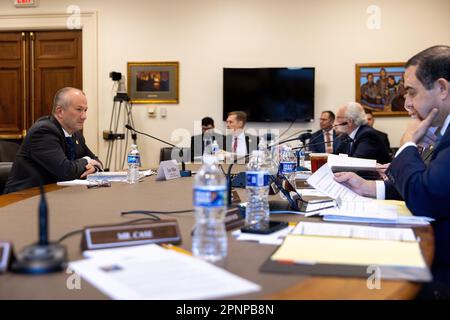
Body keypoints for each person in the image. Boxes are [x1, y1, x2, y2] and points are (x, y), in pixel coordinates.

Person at [334, 45, 450, 298]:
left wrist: (408, 143)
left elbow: (426, 197)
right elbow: (433, 184)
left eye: (411, 92)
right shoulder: (441, 133)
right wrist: (369, 187)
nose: (406, 103)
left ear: (442, 88)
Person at [4, 87, 102, 193]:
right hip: (23, 199)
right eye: (79, 110)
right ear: (60, 111)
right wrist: (86, 160)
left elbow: (97, 161)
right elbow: (66, 171)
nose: (84, 116)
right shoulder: (44, 132)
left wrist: (94, 168)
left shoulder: (76, 134)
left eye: (85, 110)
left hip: (57, 196)